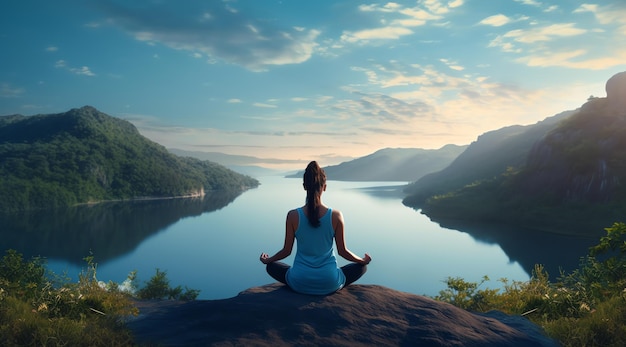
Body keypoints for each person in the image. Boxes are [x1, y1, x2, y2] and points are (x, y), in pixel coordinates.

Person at [260, 161, 371, 295]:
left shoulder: (293, 215)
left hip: (299, 281)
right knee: (362, 268)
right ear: (324, 187)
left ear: (304, 186)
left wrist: (268, 260)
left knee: (271, 267)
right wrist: (362, 260)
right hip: (329, 282)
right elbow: (343, 252)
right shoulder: (336, 216)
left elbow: (286, 251)